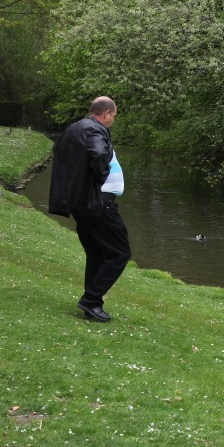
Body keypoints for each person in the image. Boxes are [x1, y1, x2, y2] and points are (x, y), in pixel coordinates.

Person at [48, 96, 131, 323]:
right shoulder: (95, 130)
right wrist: (101, 177)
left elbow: (59, 152)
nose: (113, 120)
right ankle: (91, 300)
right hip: (98, 203)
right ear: (106, 113)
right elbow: (99, 154)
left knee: (97, 253)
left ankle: (92, 303)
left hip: (83, 203)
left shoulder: (74, 129)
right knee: (120, 252)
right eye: (113, 116)